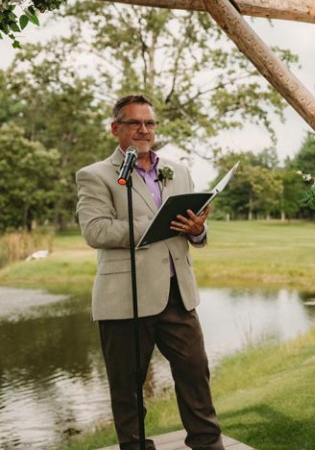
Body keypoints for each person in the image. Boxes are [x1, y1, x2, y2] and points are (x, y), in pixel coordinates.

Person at [76, 94, 223, 450]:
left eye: (150, 123)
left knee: (195, 373)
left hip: (178, 294)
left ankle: (207, 443)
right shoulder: (95, 175)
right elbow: (95, 231)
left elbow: (193, 231)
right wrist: (154, 224)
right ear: (116, 129)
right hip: (125, 297)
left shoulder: (179, 170)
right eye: (134, 123)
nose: (144, 130)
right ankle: (135, 446)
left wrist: (197, 230)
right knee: (127, 385)